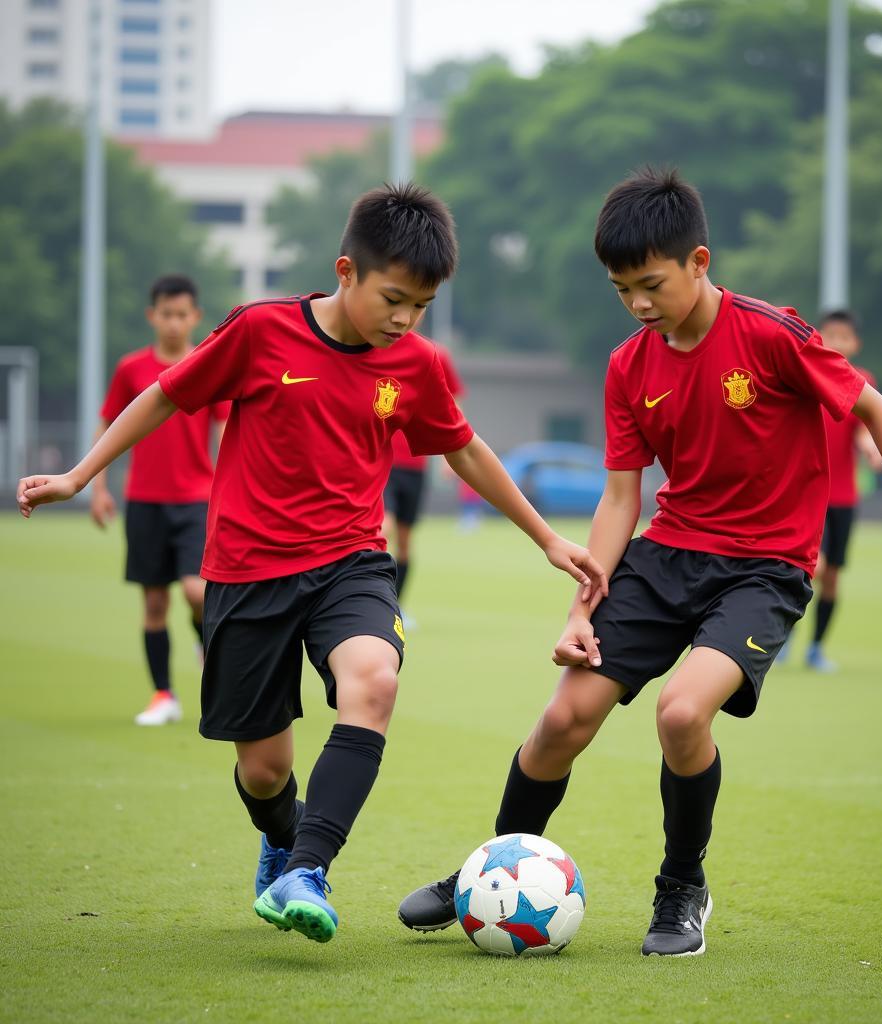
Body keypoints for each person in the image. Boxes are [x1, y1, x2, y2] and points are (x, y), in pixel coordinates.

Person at [17, 183, 606, 946]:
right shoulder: (262, 332)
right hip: (247, 572)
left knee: (376, 679)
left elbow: (463, 447)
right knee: (263, 772)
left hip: (352, 564)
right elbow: (166, 395)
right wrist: (80, 474)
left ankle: (309, 869)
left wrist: (546, 538)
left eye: (420, 306)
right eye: (393, 298)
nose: (403, 319)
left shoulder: (415, 365)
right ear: (346, 271)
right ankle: (282, 835)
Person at [397, 168, 882, 958]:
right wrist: (580, 609)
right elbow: (620, 499)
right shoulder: (630, 366)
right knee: (563, 718)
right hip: (665, 558)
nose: (638, 303)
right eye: (622, 288)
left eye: (652, 283)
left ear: (699, 262)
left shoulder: (772, 335)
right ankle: (491, 872)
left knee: (680, 713)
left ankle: (681, 887)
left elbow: (877, 408)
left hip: (765, 570)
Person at [90, 274, 229, 726]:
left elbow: (226, 431)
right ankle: (163, 695)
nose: (173, 323)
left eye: (181, 314)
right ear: (153, 316)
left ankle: (206, 646)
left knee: (196, 590)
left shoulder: (206, 364)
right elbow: (110, 424)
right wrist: (99, 488)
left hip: (196, 500)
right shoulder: (131, 368)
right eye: (165, 314)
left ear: (196, 317)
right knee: (153, 604)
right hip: (145, 501)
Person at [806, 309, 882, 672]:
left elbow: (865, 424)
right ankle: (783, 630)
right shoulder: (807, 372)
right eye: (830, 334)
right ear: (819, 335)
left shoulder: (861, 379)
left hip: (843, 498)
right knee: (811, 567)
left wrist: (870, 446)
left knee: (832, 574)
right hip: (808, 494)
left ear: (856, 344)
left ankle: (816, 647)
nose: (836, 342)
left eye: (844, 337)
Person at [382, 343, 463, 607]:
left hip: (415, 467)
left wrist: (449, 456)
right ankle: (371, 602)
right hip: (383, 464)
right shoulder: (372, 347)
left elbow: (452, 402)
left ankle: (396, 606)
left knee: (404, 543)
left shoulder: (433, 354)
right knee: (384, 528)